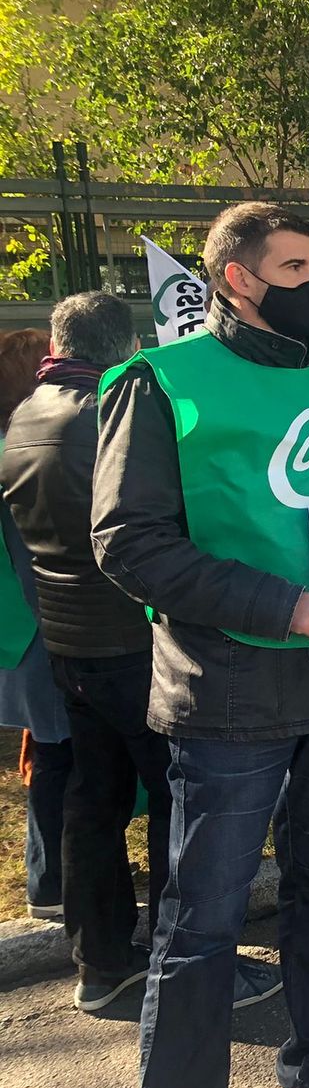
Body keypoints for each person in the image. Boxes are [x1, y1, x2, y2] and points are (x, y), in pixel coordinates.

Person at [93, 202, 309, 1088]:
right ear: (234, 279)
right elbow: (129, 543)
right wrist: (282, 603)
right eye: (292, 270)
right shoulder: (158, 382)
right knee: (203, 922)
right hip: (229, 684)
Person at [2, 298, 192, 1014]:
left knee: (94, 801)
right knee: (182, 802)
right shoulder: (110, 412)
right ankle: (188, 962)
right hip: (132, 639)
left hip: (69, 642)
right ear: (129, 346)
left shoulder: (26, 412)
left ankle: (101, 959)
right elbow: (164, 525)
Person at [0, 329, 72, 926]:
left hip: (26, 625)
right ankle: (49, 879)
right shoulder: (23, 446)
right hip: (39, 626)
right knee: (56, 751)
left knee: (48, 745)